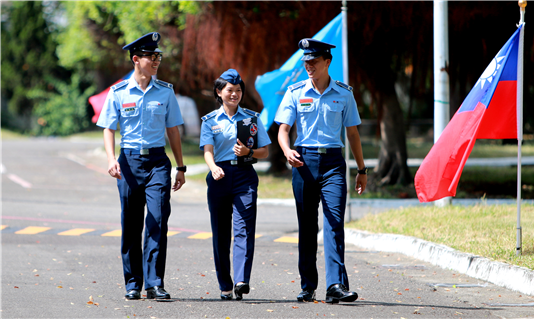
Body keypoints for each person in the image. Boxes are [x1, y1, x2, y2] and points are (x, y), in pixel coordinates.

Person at [274, 38, 367, 303]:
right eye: (306, 61)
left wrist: (362, 169)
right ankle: (308, 285)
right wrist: (286, 150)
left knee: (334, 223)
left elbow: (353, 134)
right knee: (307, 226)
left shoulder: (344, 93)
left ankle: (335, 285)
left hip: (334, 164)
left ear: (327, 61)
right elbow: (283, 129)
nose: (309, 66)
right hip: (303, 162)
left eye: (314, 61)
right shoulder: (295, 92)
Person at [97, 32, 186, 300]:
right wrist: (111, 159)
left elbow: (173, 130)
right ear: (136, 59)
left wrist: (180, 167)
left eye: (158, 55)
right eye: (151, 56)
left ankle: (154, 282)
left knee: (158, 219)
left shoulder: (166, 93)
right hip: (129, 162)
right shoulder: (118, 92)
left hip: (158, 162)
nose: (156, 60)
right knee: (132, 223)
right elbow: (108, 128)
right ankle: (133, 283)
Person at [199, 69, 271, 301]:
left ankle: (241, 280)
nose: (235, 94)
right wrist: (213, 168)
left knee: (244, 229)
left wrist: (249, 152)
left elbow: (265, 152)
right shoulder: (210, 121)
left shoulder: (251, 118)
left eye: (238, 90)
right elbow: (208, 152)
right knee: (221, 233)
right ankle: (225, 284)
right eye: (230, 90)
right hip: (219, 176)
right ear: (219, 92)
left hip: (244, 177)